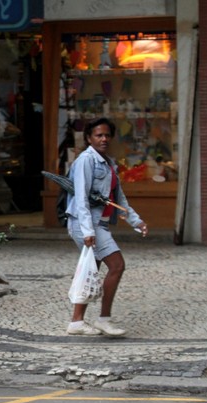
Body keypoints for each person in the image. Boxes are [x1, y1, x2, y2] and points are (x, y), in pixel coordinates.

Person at [65, 117, 148, 337]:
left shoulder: (109, 163)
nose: (103, 139)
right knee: (117, 265)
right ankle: (104, 319)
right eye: (98, 135)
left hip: (98, 222)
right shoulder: (86, 160)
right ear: (89, 138)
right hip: (86, 223)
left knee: (89, 269)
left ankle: (76, 322)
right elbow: (81, 197)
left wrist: (135, 221)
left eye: (107, 135)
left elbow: (118, 198)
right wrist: (88, 231)